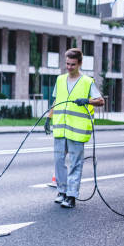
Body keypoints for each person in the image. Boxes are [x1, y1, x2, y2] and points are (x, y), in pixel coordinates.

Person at [44, 48, 104, 209]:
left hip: (77, 130)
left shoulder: (87, 81)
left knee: (76, 163)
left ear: (80, 63)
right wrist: (49, 118)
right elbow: (56, 101)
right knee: (59, 161)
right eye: (67, 64)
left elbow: (101, 101)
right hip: (60, 128)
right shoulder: (60, 79)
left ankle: (71, 196)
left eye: (73, 64)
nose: (69, 67)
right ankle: (61, 191)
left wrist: (87, 100)